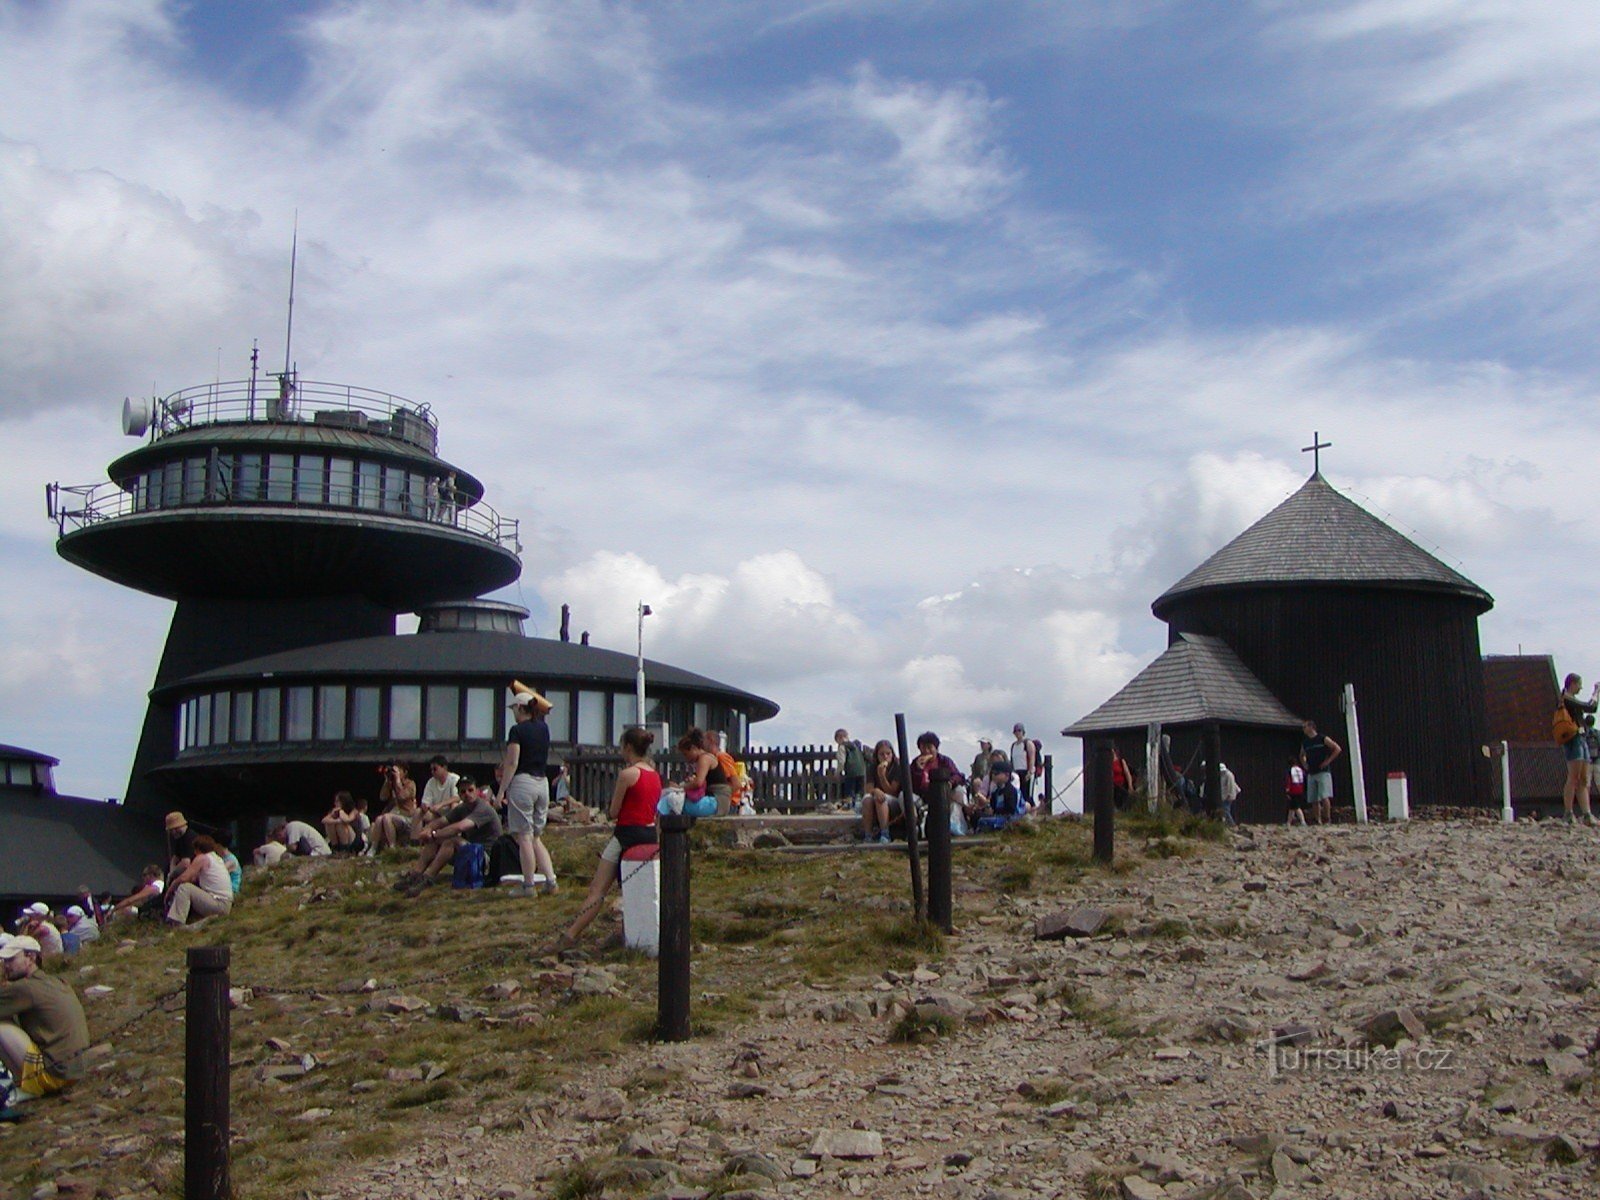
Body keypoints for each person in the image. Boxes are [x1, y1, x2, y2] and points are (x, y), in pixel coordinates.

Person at [558, 726, 661, 948]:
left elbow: (614, 812)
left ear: (628, 747)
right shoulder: (655, 775)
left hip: (625, 833)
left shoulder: (627, 774)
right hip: (649, 833)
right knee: (638, 889)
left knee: (598, 889)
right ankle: (633, 933)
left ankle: (571, 935)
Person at [0, 935, 89, 1112]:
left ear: (31, 957)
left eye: (11, 960)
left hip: (53, 1073)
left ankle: (15, 1087)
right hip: (75, 1069)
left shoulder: (25, 988)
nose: (6, 966)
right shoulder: (57, 981)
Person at [495, 690, 559, 897]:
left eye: (514, 708)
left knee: (524, 836)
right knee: (536, 837)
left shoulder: (516, 730)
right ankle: (551, 880)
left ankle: (529, 885)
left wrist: (501, 791)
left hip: (523, 782)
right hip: (542, 783)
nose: (513, 712)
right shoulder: (544, 728)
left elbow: (512, 762)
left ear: (520, 708)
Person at [399, 776, 504, 898]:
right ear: (459, 794)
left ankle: (428, 877)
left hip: (487, 858)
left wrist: (433, 834)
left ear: (477, 791)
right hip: (471, 853)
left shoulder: (483, 808)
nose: (467, 794)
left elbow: (460, 827)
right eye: (463, 792)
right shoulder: (462, 808)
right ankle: (415, 875)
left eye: (470, 790)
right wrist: (427, 830)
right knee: (436, 841)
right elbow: (441, 821)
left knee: (452, 841)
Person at [1558, 673, 1600, 825]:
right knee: (1574, 777)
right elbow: (1591, 707)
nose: (1581, 688)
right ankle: (1568, 812)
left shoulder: (1569, 700)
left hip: (1581, 738)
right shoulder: (1567, 699)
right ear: (1573, 684)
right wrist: (1596, 693)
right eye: (1579, 684)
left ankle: (1586, 813)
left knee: (1583, 778)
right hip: (1573, 739)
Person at [166, 835, 234, 925]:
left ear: (197, 849)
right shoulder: (217, 859)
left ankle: (176, 922)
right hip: (226, 904)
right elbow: (194, 878)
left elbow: (184, 878)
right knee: (191, 888)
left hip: (218, 904)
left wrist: (170, 889)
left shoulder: (202, 858)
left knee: (185, 888)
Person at [909, 731, 964, 838]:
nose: (926, 751)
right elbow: (912, 786)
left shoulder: (945, 761)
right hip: (924, 796)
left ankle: (954, 825)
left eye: (929, 748)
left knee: (959, 791)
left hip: (944, 795)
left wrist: (950, 783)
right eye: (923, 748)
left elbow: (958, 776)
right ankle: (914, 828)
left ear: (936, 748)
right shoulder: (915, 763)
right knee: (904, 796)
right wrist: (918, 771)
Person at [679, 728, 733, 816]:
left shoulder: (704, 759)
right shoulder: (708, 757)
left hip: (717, 801)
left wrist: (680, 787)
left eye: (686, 754)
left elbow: (698, 782)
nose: (686, 758)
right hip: (717, 800)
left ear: (693, 748)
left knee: (679, 806)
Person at [1299, 720, 1343, 826]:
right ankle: (1317, 819)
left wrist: (1328, 761)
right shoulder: (1305, 742)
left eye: (1305, 727)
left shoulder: (1322, 738)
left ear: (1311, 727)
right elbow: (1301, 755)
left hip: (1323, 771)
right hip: (1311, 772)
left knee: (1324, 796)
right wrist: (1305, 765)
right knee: (1314, 798)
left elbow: (1337, 748)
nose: (1303, 729)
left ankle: (1327, 818)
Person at [861, 740, 901, 844]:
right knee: (867, 799)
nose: (885, 757)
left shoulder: (897, 767)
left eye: (888, 753)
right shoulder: (872, 767)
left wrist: (882, 776)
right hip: (876, 797)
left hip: (894, 801)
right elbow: (868, 788)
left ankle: (885, 833)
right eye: (882, 754)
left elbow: (892, 791)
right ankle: (868, 835)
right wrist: (876, 790)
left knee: (881, 799)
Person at [835, 729, 867, 808]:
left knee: (850, 791)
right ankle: (860, 807)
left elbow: (841, 761)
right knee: (860, 792)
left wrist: (838, 772)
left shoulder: (842, 747)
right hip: (862, 771)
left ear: (838, 739)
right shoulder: (856, 746)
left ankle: (850, 807)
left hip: (851, 772)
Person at [1010, 725, 1038, 808]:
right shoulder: (1013, 745)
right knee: (1019, 793)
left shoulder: (1028, 743)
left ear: (1023, 732)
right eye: (1015, 731)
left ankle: (1032, 810)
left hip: (1026, 772)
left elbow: (1032, 757)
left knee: (1027, 794)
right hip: (1016, 772)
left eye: (1019, 730)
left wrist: (1030, 771)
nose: (1017, 732)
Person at [1285, 760, 1308, 827]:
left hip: (1293, 790)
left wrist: (1287, 790)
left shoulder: (1290, 771)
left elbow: (1289, 781)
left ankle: (1303, 822)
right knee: (1292, 807)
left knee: (1296, 807)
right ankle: (1288, 822)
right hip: (1300, 790)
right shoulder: (1300, 770)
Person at [1217, 762, 1240, 827]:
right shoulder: (1222, 775)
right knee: (1225, 810)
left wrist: (1229, 795)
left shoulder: (1228, 775)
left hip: (1228, 796)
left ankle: (1232, 824)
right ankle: (1227, 824)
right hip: (1225, 795)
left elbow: (1231, 786)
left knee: (1226, 810)